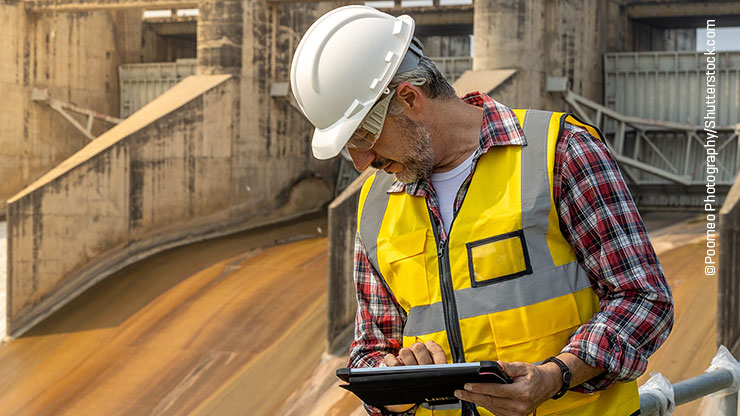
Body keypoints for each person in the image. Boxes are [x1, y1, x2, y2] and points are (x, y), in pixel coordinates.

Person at [290, 6, 673, 416]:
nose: (361, 161)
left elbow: (643, 299)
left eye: (363, 134)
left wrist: (556, 375)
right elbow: (370, 348)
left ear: (408, 98)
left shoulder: (560, 152)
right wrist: (393, 385)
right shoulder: (374, 205)